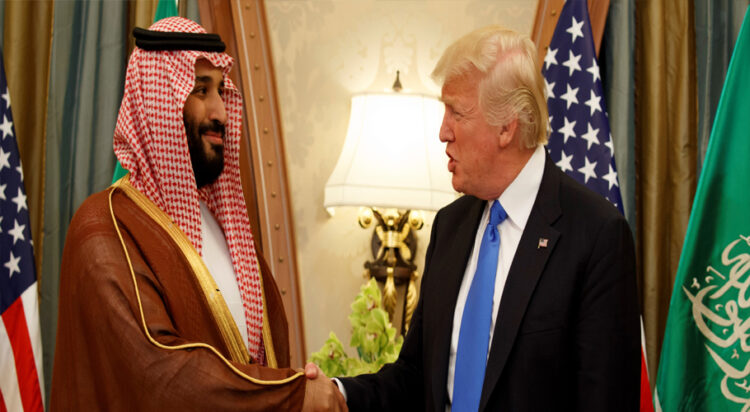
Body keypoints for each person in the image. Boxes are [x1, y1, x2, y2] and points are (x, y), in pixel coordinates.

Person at [309, 25, 640, 411]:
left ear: (506, 127)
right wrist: (338, 394)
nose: (442, 132)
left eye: (456, 112)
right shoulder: (450, 226)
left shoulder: (596, 235)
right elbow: (415, 378)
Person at [51, 17, 344, 411]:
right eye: (200, 91)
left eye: (222, 90)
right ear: (159, 101)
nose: (221, 112)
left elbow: (260, 355)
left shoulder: (227, 232)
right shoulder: (103, 227)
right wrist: (291, 395)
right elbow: (156, 375)